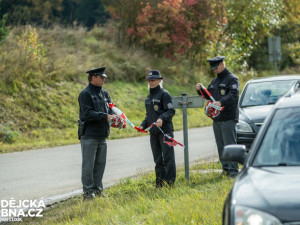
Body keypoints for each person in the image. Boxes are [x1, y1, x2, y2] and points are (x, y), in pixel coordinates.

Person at [196, 56, 239, 178]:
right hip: (217, 119)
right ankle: (225, 169)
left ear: (222, 64)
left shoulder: (232, 79)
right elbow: (208, 97)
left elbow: (234, 95)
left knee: (230, 145)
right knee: (221, 146)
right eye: (213, 68)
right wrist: (200, 90)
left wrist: (221, 102)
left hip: (228, 118)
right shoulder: (214, 82)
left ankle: (233, 171)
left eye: (216, 67)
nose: (214, 70)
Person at [78, 66, 116, 200]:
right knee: (88, 166)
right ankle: (88, 193)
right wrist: (105, 116)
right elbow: (87, 113)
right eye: (101, 77)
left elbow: (111, 109)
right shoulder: (85, 94)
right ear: (93, 78)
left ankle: (98, 190)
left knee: (100, 164)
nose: (103, 80)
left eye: (104, 77)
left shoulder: (105, 94)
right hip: (89, 135)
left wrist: (115, 118)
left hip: (103, 134)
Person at [139, 70, 176, 187]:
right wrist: (142, 125)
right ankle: (160, 183)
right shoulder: (148, 97)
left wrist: (162, 118)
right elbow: (149, 115)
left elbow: (171, 111)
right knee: (158, 160)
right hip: (153, 133)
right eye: (149, 81)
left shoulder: (165, 94)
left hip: (166, 132)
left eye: (153, 80)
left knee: (168, 159)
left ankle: (170, 183)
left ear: (160, 80)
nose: (151, 83)